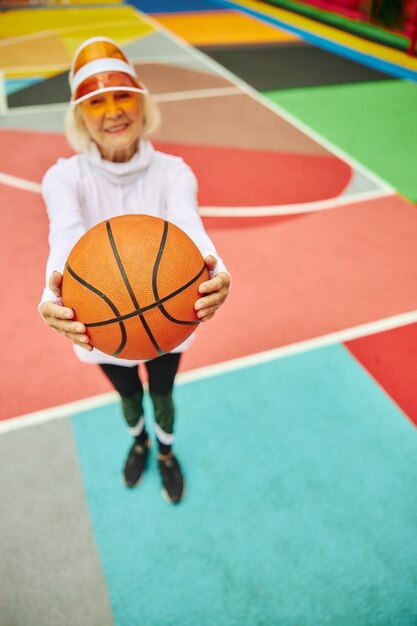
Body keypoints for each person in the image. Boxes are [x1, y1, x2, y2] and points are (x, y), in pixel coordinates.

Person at [38, 37, 231, 504]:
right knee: (128, 394)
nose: (112, 111)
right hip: (98, 326)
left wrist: (216, 270)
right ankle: (139, 440)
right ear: (79, 116)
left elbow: (188, 225)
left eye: (122, 95)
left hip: (168, 319)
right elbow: (65, 233)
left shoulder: (173, 172)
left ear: (142, 102)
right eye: (95, 101)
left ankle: (165, 452)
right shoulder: (64, 178)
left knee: (162, 390)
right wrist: (51, 297)